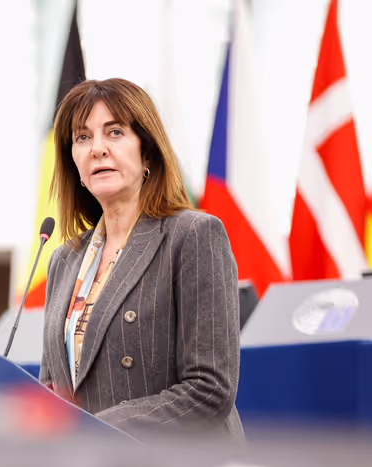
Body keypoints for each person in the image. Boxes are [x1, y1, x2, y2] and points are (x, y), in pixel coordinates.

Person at [39, 78, 243, 440]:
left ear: (146, 152)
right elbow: (54, 388)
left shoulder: (194, 235)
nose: (97, 149)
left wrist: (98, 430)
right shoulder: (63, 260)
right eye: (82, 137)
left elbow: (209, 389)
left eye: (114, 132)